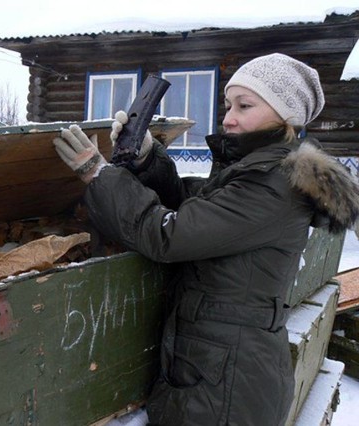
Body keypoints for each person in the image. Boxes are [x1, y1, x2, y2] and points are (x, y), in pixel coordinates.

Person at [53, 53, 359, 425]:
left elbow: (168, 234)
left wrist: (99, 174)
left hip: (227, 387)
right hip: (217, 371)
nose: (229, 117)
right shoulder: (256, 172)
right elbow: (197, 209)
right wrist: (149, 160)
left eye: (244, 106)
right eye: (229, 104)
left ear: (286, 116)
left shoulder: (272, 186)